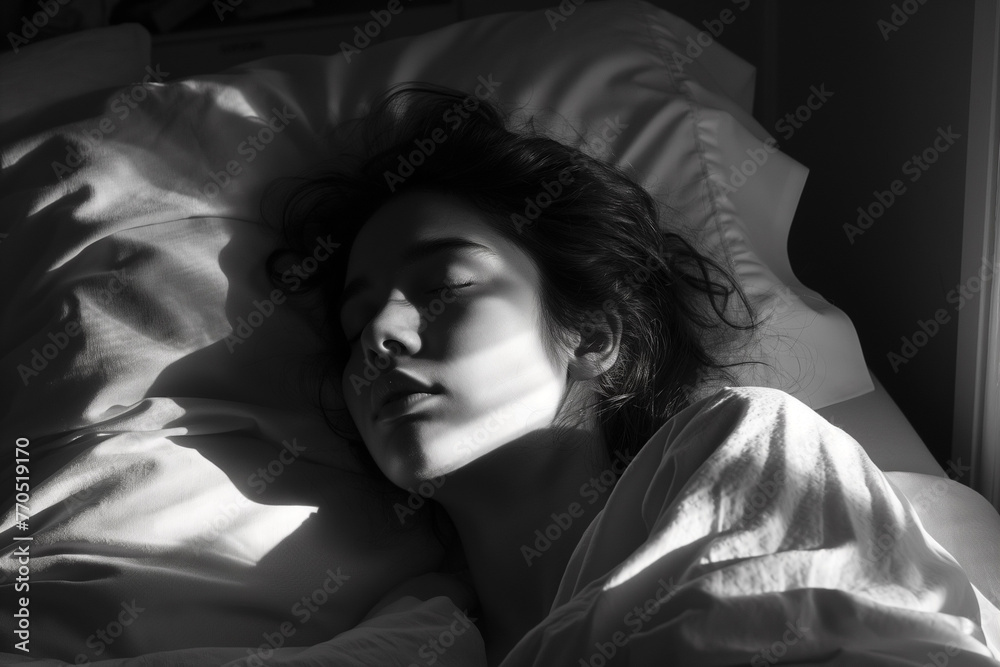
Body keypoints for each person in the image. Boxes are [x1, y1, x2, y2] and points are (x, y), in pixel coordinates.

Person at [266, 84, 999, 666]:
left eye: (446, 286)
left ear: (592, 335)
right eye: (355, 323)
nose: (379, 338)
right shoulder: (406, 635)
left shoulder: (753, 451)